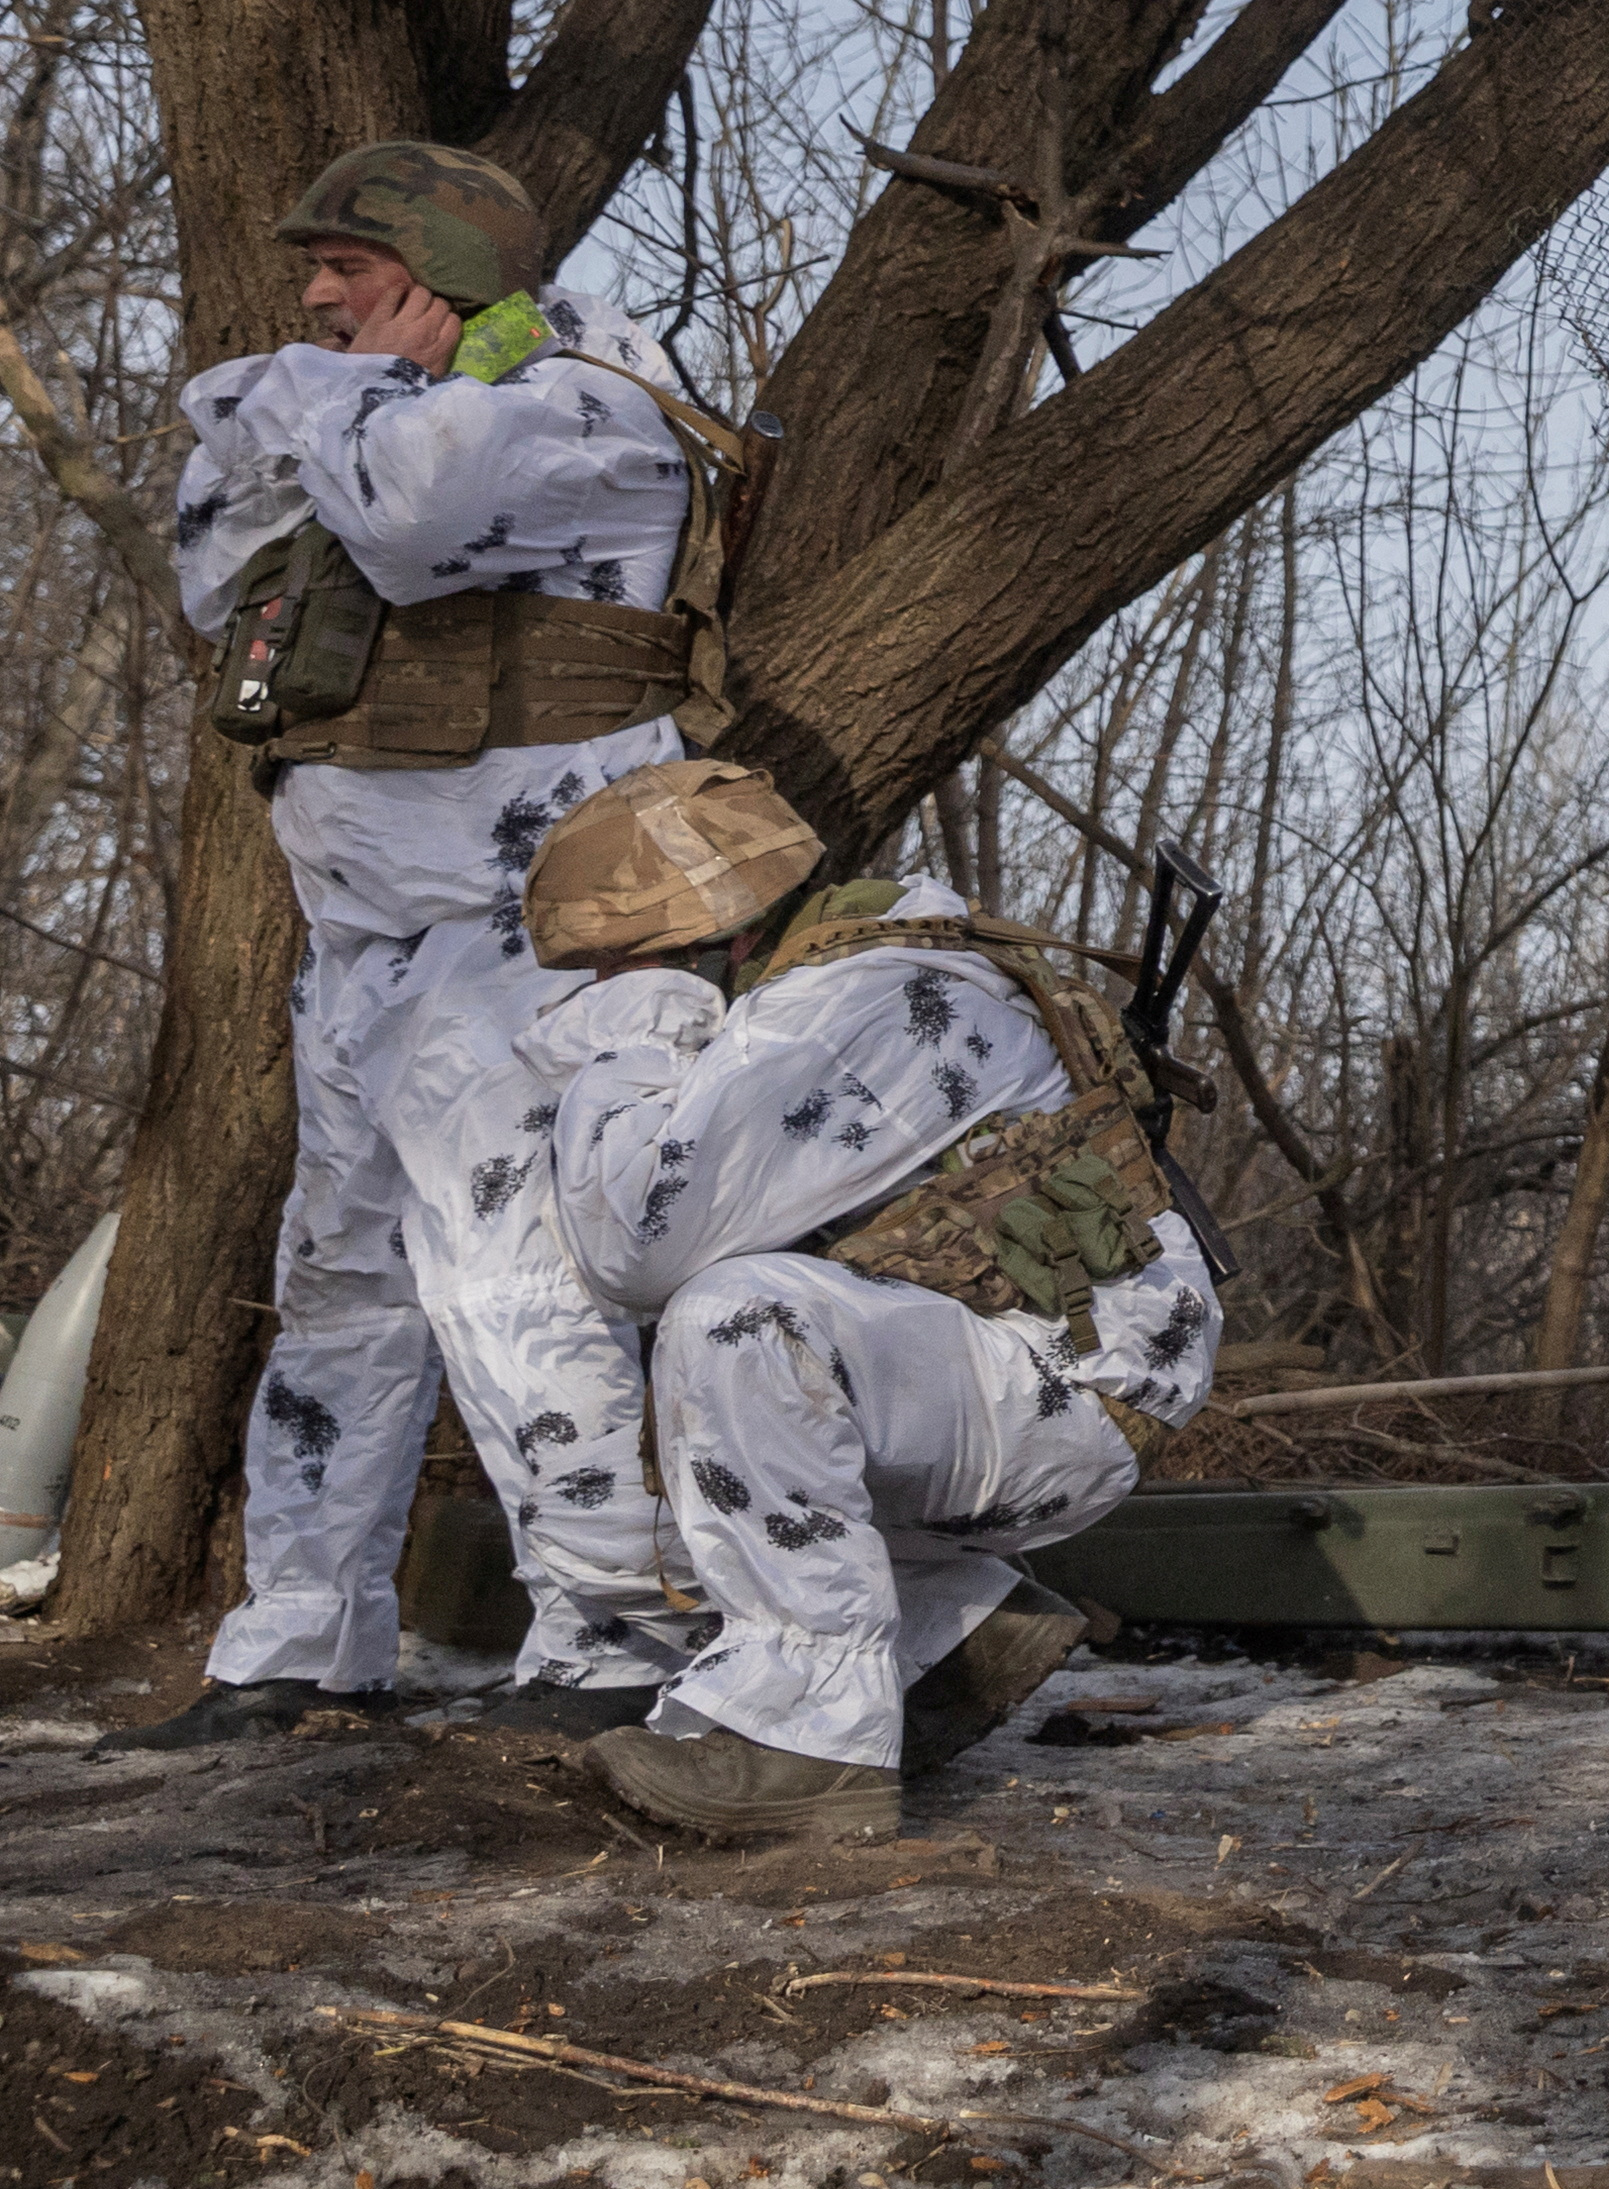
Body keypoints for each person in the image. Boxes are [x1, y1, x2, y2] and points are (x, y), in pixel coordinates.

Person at [106, 143, 738, 1751]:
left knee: (513, 1271)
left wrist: (308, 396)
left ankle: (608, 1636)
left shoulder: (587, 405)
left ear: (448, 277)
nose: (314, 302)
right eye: (311, 273)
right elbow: (215, 557)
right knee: (340, 1284)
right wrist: (331, 399)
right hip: (366, 940)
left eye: (350, 270)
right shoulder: (399, 405)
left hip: (533, 932)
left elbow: (409, 517)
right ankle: (305, 1635)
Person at [511, 760, 1222, 1842]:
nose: (601, 985)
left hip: (1063, 1393)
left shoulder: (852, 1006)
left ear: (705, 939)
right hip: (1017, 1374)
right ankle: (953, 1634)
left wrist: (635, 1031)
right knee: (651, 1445)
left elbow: (630, 1247)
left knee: (738, 1319)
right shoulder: (863, 969)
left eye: (615, 963)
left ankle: (809, 1741)